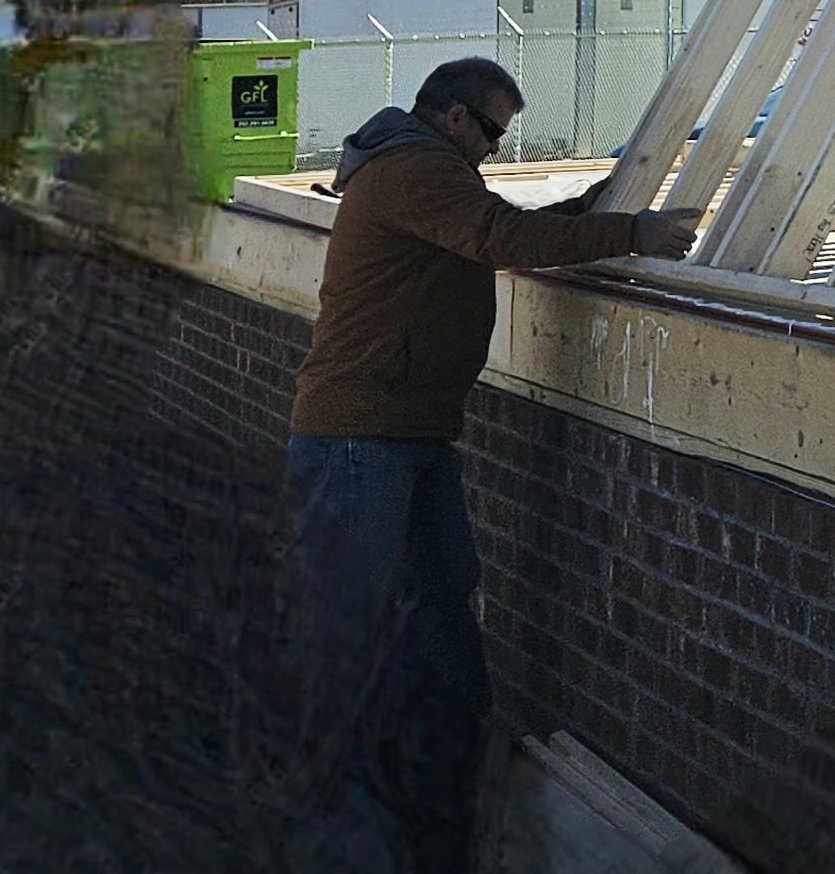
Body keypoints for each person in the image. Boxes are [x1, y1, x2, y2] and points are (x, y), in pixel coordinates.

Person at [273, 58, 699, 871]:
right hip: (362, 436)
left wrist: (595, 209)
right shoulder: (415, 166)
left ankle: (443, 777)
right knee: (350, 619)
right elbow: (500, 236)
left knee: (443, 601)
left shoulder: (426, 169)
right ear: (455, 117)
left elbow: (502, 226)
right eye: (495, 131)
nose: (497, 151)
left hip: (407, 432)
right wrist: (630, 233)